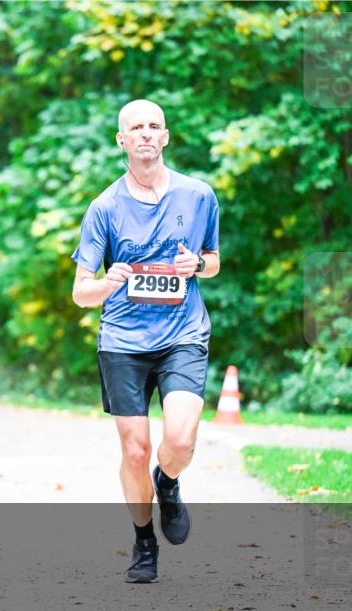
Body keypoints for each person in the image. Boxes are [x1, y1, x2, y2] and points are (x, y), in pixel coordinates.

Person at [70, 99, 220, 584]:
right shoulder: (105, 207)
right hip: (123, 341)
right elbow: (80, 293)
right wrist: (108, 282)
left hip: (182, 334)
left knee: (178, 440)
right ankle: (143, 541)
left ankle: (169, 483)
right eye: (136, 127)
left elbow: (213, 260)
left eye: (154, 126)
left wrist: (195, 265)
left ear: (166, 136)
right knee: (135, 449)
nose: (146, 134)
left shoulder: (199, 196)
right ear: (122, 140)